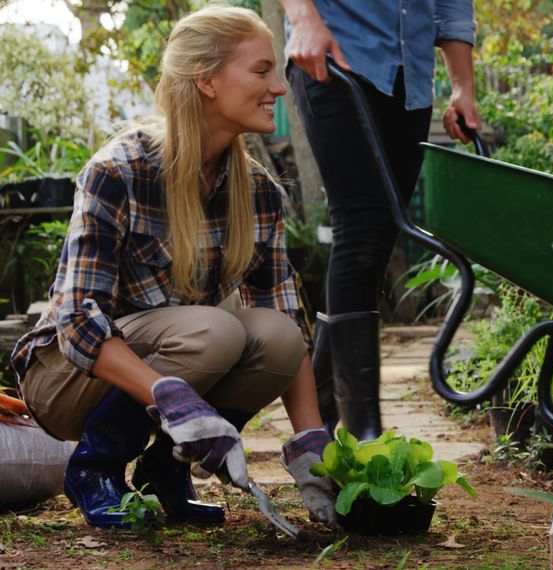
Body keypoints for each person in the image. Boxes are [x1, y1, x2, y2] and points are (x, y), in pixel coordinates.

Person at [9, 6, 337, 529]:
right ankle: (95, 467)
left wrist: (313, 443)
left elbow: (287, 324)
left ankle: (165, 468)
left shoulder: (259, 193)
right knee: (214, 331)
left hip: (174, 354)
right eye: (261, 71)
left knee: (277, 337)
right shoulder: (119, 171)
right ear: (206, 80)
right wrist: (168, 394)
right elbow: (75, 317)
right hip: (66, 376)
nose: (278, 86)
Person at [279, 0, 483, 441]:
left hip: (409, 78)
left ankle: (318, 418)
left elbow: (451, 5)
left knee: (380, 234)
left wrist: (461, 86)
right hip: (334, 54)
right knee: (360, 226)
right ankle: (360, 432)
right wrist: (304, 19)